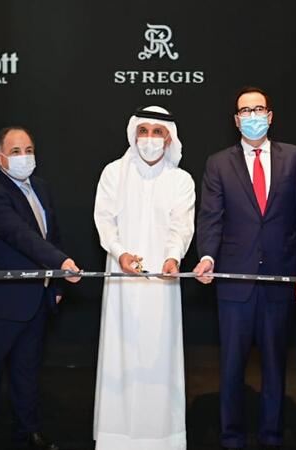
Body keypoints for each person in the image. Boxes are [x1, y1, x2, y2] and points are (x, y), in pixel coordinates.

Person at [192, 87, 296, 450]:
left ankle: (271, 434)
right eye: (245, 111)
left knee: (275, 363)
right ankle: (231, 436)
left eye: (258, 109)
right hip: (234, 281)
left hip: (280, 277)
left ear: (270, 116)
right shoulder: (218, 163)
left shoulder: (294, 158)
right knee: (231, 365)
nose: (252, 116)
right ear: (236, 120)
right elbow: (211, 217)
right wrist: (207, 256)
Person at [0, 126, 81, 450]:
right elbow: (22, 237)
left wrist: (56, 282)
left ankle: (29, 432)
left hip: (37, 300)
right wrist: (62, 262)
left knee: (27, 372)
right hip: (0, 303)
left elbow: (52, 235)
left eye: (28, 150)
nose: (24, 157)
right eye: (15, 151)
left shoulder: (41, 188)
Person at [92, 106, 195, 450]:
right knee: (120, 354)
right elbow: (105, 221)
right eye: (144, 130)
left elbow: (182, 226)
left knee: (159, 356)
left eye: (157, 132)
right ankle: (116, 438)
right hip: (121, 281)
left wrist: (172, 257)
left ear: (169, 138)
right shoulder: (113, 173)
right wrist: (120, 252)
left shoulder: (181, 180)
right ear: (134, 134)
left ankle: (161, 438)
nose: (150, 138)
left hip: (162, 284)